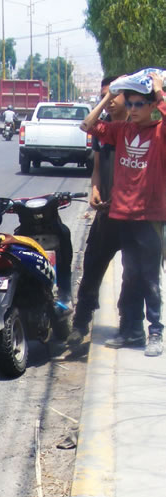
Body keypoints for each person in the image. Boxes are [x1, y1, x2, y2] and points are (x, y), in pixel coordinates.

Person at [80, 71, 166, 356]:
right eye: (128, 104)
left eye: (138, 104)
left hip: (149, 217)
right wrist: (109, 95)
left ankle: (156, 333)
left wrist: (159, 91)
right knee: (130, 277)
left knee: (150, 278)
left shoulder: (159, 133)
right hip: (123, 216)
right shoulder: (121, 131)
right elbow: (87, 125)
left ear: (151, 105)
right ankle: (132, 332)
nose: (131, 109)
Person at [67, 77, 128, 350]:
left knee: (134, 274)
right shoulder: (102, 128)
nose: (111, 100)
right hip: (105, 214)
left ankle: (129, 324)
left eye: (116, 95)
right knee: (91, 268)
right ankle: (80, 325)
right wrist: (94, 189)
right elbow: (96, 165)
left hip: (133, 216)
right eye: (107, 96)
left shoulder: (136, 128)